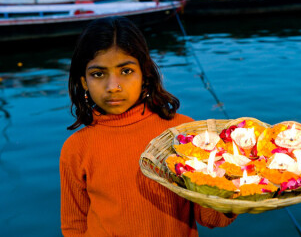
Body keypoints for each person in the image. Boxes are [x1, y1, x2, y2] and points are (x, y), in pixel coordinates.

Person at [60, 16, 236, 236]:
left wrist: (231, 189)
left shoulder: (184, 135)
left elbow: (210, 217)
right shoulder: (76, 148)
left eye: (126, 71)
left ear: (145, 75)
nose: (113, 86)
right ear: (84, 81)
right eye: (98, 74)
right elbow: (73, 225)